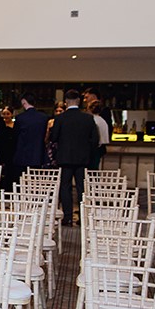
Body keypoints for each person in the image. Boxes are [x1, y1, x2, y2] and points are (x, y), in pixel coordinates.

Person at [48, 89, 98, 225]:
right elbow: (94, 140)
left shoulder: (60, 118)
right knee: (82, 188)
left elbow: (54, 138)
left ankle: (68, 216)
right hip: (83, 159)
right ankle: (82, 218)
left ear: (66, 102)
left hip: (65, 158)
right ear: (79, 101)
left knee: (65, 187)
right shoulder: (88, 118)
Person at [10, 93, 47, 191]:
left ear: (24, 102)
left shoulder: (20, 118)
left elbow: (15, 136)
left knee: (21, 183)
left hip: (22, 154)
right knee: (36, 183)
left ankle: (21, 202)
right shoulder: (43, 117)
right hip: (38, 154)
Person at [88, 101, 110, 170]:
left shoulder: (90, 120)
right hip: (100, 148)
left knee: (90, 170)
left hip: (92, 149)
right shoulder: (103, 121)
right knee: (95, 170)